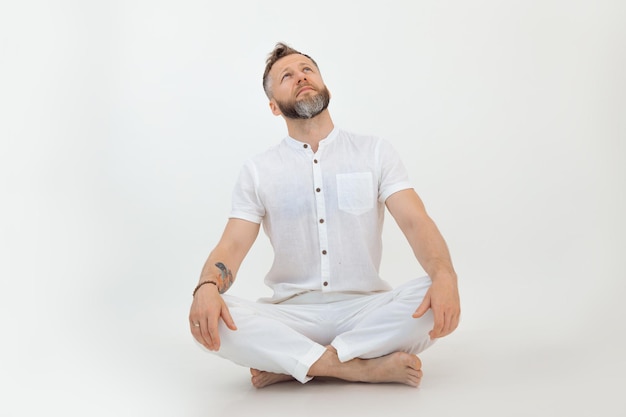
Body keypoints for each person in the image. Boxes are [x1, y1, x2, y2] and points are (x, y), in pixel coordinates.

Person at [189, 42, 460, 389]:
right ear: (273, 106)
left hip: (367, 309)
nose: (300, 77)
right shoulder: (258, 170)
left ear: (324, 85)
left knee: (433, 294)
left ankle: (296, 363)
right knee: (212, 319)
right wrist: (207, 287)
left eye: (307, 69)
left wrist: (445, 276)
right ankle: (357, 367)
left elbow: (415, 221)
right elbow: (232, 245)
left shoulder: (374, 152)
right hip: (292, 314)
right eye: (287, 75)